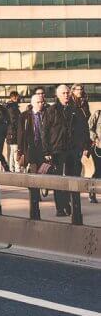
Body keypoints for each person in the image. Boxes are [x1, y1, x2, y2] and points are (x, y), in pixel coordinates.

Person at [42, 84, 89, 217]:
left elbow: (84, 129)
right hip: (56, 150)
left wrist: (84, 147)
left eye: (67, 92)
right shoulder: (51, 110)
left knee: (73, 179)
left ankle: (71, 205)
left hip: (73, 150)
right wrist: (46, 152)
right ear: (57, 95)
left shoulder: (76, 110)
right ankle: (60, 207)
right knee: (58, 180)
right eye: (63, 93)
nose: (66, 95)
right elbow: (44, 132)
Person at [17, 91, 47, 172]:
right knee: (32, 170)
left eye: (42, 102)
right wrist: (20, 150)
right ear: (33, 103)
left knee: (42, 171)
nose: (41, 104)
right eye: (38, 102)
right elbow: (20, 133)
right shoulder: (24, 116)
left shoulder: (46, 114)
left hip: (42, 147)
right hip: (30, 147)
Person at [5, 91, 22, 173]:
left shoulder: (10, 107)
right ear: (13, 97)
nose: (18, 99)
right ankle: (17, 169)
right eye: (16, 97)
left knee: (12, 152)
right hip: (13, 132)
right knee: (15, 151)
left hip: (10, 132)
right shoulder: (12, 108)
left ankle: (11, 168)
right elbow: (13, 121)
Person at [88, 106, 101, 204]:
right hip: (98, 147)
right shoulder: (98, 114)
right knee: (99, 170)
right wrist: (95, 138)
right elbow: (89, 128)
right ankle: (92, 192)